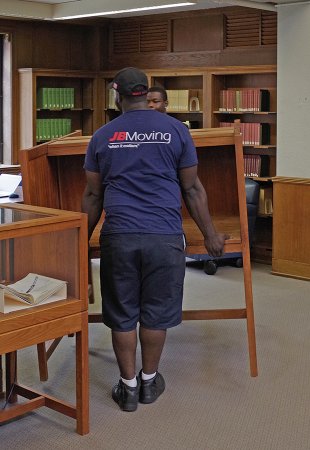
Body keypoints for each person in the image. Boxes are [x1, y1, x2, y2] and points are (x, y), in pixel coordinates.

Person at [82, 67, 227, 413]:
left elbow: (92, 196)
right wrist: (210, 235)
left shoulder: (102, 136)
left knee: (122, 314)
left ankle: (128, 387)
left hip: (119, 238)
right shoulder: (176, 130)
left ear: (117, 96)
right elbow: (192, 188)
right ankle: (150, 381)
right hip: (164, 236)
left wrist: (79, 242)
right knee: (155, 314)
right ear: (147, 95)